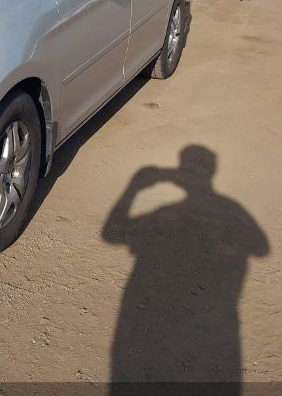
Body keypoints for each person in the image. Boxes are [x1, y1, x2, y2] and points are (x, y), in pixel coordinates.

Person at [102, 145, 269, 395]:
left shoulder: (165, 214)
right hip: (215, 326)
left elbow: (111, 235)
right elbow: (261, 248)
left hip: (156, 321)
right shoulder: (230, 209)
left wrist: (134, 188)